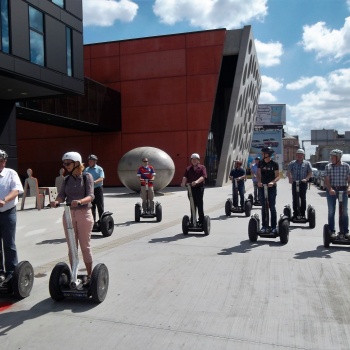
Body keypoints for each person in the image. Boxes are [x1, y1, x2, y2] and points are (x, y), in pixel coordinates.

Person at [50, 152, 94, 284]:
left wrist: (80, 201)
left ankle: (91, 275)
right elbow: (61, 195)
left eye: (68, 163)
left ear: (76, 163)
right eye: (64, 163)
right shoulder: (67, 179)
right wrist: (56, 201)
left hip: (84, 213)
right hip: (69, 213)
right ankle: (74, 274)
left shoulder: (87, 177)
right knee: (72, 247)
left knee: (85, 246)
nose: (65, 166)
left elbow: (91, 196)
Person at [0, 150, 24, 282]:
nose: (2, 163)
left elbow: (16, 190)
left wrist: (4, 200)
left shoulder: (11, 173)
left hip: (8, 212)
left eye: (3, 160)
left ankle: (12, 272)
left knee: (9, 243)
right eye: (0, 160)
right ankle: (0, 272)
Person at [324, 149, 350, 239]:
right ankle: (332, 231)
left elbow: (349, 179)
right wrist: (330, 189)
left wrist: (349, 188)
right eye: (331, 157)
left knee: (345, 212)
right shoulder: (328, 166)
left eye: (333, 157)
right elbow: (326, 180)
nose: (331, 158)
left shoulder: (346, 166)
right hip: (332, 190)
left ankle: (345, 231)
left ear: (338, 158)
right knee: (331, 211)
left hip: (343, 190)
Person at [257, 147, 280, 234]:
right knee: (264, 207)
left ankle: (273, 227)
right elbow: (258, 173)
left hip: (271, 188)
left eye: (263, 153)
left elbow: (278, 176)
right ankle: (264, 226)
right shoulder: (260, 163)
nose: (262, 154)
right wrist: (259, 182)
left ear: (267, 154)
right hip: (262, 187)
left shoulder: (274, 164)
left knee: (272, 207)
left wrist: (272, 182)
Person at [180, 153, 207, 226]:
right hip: (190, 189)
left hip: (199, 188)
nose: (194, 160)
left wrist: (196, 182)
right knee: (192, 204)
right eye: (193, 159)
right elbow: (185, 176)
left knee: (199, 204)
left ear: (198, 160)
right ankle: (193, 221)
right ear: (191, 160)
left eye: (196, 159)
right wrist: (183, 183)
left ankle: (201, 221)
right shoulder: (188, 168)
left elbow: (203, 177)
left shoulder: (202, 167)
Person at [287, 149, 312, 219]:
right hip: (295, 183)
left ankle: (303, 214)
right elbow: (288, 171)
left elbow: (310, 172)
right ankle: (295, 214)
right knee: (295, 198)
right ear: (296, 155)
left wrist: (306, 179)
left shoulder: (307, 163)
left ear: (303, 155)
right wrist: (290, 178)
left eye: (301, 155)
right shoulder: (292, 163)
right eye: (298, 154)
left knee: (303, 198)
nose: (299, 156)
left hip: (303, 183)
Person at [85, 154, 105, 229]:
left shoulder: (99, 169)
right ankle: (93, 224)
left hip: (98, 189)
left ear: (95, 161)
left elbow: (101, 178)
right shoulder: (86, 169)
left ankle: (102, 222)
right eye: (89, 161)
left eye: (91, 161)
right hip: (90, 190)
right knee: (91, 207)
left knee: (100, 206)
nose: (89, 162)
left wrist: (94, 182)